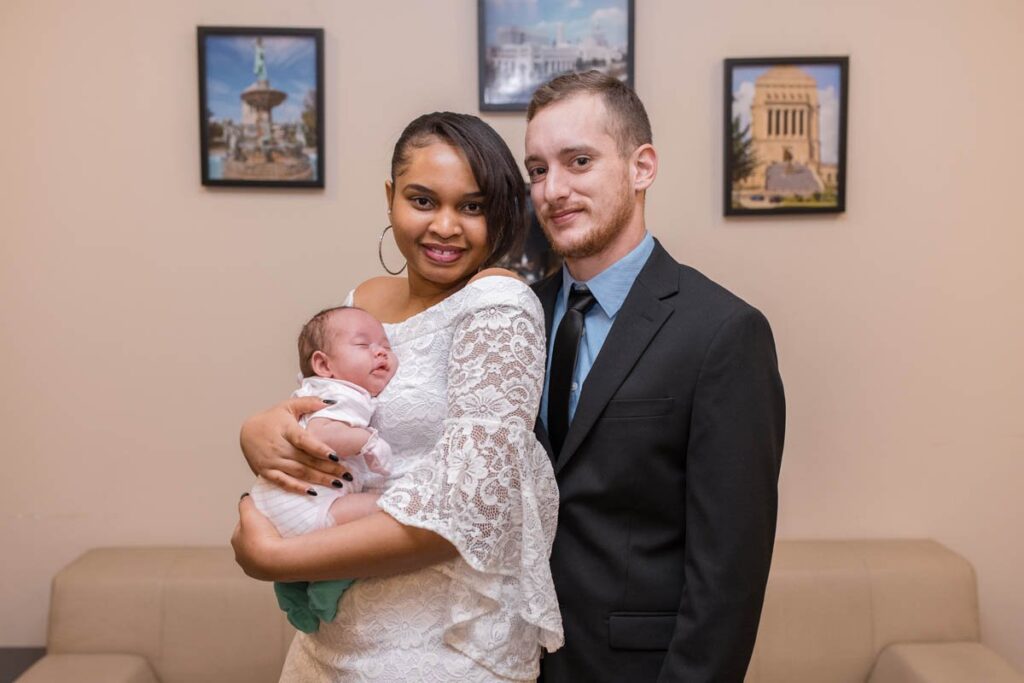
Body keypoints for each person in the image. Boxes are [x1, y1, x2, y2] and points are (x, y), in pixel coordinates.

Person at [232, 112, 563, 681]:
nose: (446, 227)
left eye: (473, 206)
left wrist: (276, 557)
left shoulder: (498, 302)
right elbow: (326, 403)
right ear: (390, 198)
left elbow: (472, 511)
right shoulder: (361, 300)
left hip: (440, 646)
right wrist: (262, 428)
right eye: (423, 200)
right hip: (334, 638)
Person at [523, 71, 785, 681]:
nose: (552, 190)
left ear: (642, 167)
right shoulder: (514, 318)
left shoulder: (723, 333)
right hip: (504, 659)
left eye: (578, 161)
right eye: (537, 170)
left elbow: (729, 574)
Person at [249, 305, 397, 634]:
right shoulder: (342, 394)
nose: (380, 353)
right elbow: (321, 435)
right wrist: (369, 442)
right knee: (384, 510)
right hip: (310, 505)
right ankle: (328, 584)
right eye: (363, 346)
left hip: (279, 506)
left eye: (386, 347)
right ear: (324, 364)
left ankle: (291, 592)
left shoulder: (314, 390)